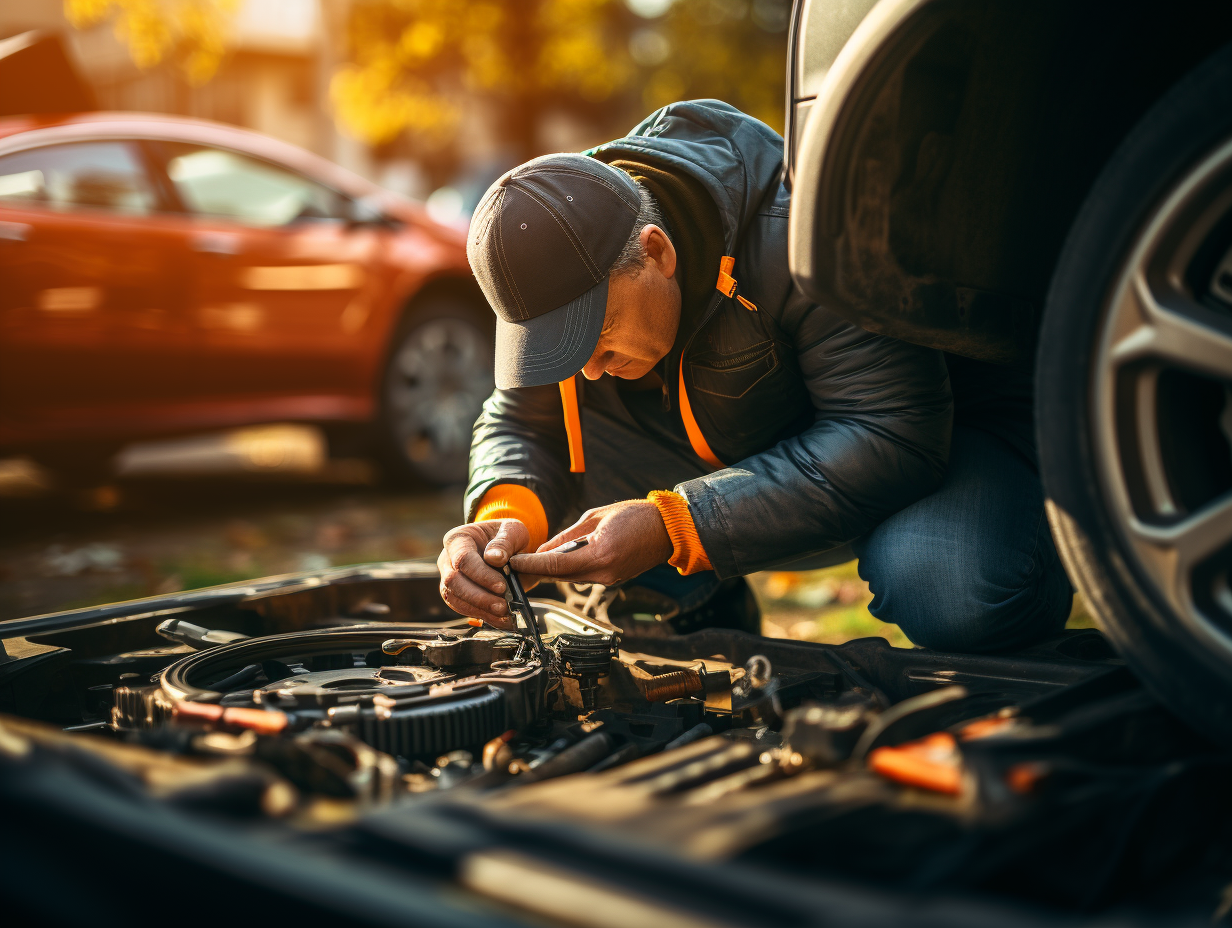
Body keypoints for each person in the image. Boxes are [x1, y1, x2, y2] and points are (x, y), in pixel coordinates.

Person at [437, 100, 1073, 653]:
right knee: (574, 486)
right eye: (561, 350)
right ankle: (698, 610)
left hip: (947, 441)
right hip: (745, 452)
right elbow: (518, 419)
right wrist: (503, 516)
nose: (589, 370)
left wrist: (675, 525)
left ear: (656, 251)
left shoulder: (808, 231)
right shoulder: (563, 257)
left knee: (948, 584)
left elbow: (893, 432)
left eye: (596, 336)